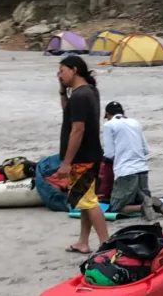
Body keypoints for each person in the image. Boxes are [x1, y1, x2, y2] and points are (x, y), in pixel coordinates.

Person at [57, 55, 109, 254]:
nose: (59, 75)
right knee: (84, 200)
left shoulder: (80, 96)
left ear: (74, 70)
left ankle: (106, 244)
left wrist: (67, 162)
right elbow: (67, 111)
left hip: (82, 159)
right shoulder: (89, 91)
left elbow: (77, 130)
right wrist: (63, 90)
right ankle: (83, 242)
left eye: (62, 70)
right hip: (92, 155)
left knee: (89, 202)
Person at [102, 101, 163, 220]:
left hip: (126, 172)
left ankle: (142, 208)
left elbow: (109, 154)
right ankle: (153, 204)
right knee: (139, 198)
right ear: (123, 112)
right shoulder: (135, 123)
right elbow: (145, 149)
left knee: (116, 206)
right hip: (142, 170)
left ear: (108, 115)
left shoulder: (109, 125)